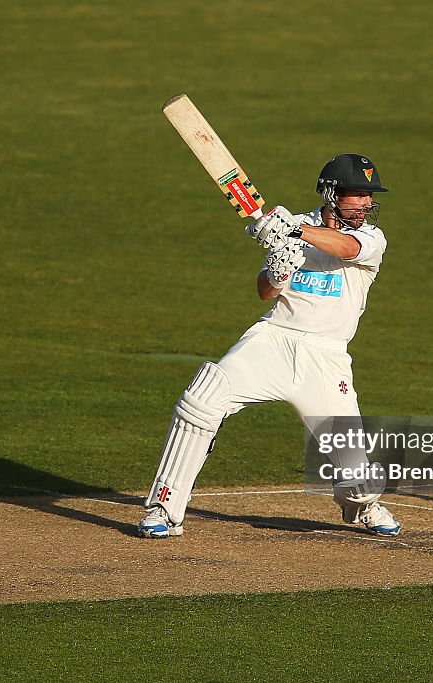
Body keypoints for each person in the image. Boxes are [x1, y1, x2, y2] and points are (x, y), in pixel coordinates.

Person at [138, 153, 401, 539]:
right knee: (201, 402)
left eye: (368, 196)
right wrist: (278, 271)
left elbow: (345, 249)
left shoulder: (369, 238)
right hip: (274, 339)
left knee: (357, 476)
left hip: (325, 356)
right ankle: (164, 506)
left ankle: (361, 506)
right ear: (331, 193)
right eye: (356, 194)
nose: (365, 203)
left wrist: (294, 232)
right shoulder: (290, 225)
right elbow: (265, 292)